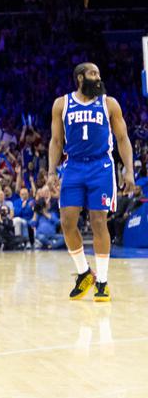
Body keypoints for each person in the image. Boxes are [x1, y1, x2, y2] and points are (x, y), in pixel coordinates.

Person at [49, 63, 134, 302]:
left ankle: (103, 282)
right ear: (79, 77)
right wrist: (50, 172)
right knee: (67, 222)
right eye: (93, 74)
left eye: (99, 73)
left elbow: (122, 138)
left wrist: (128, 171)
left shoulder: (109, 103)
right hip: (73, 165)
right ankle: (85, 273)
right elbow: (56, 141)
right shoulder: (61, 104)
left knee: (98, 222)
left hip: (101, 167)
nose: (98, 78)